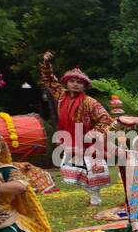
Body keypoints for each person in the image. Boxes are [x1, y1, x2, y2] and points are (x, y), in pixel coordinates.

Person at [40, 51, 113, 206]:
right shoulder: (61, 95)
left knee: (92, 170)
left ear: (84, 86)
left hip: (87, 141)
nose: (75, 84)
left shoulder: (89, 102)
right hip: (68, 140)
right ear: (66, 82)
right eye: (72, 81)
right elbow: (48, 80)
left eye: (79, 82)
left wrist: (94, 134)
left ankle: (95, 197)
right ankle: (91, 194)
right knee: (72, 170)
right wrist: (46, 64)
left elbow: (105, 119)